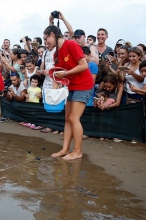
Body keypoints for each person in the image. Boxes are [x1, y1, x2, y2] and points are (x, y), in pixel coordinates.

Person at [43, 25, 94, 160]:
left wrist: (65, 73)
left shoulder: (71, 44)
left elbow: (83, 65)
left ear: (53, 35)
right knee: (67, 119)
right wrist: (55, 88)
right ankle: (65, 149)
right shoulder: (56, 54)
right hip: (71, 86)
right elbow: (57, 74)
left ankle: (77, 151)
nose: (45, 42)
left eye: (45, 38)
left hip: (84, 84)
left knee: (73, 118)